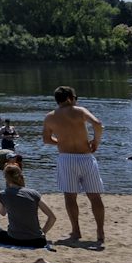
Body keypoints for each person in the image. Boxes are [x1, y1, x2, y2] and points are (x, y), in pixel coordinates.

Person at [41, 86, 106, 247]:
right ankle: (100, 231)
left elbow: (46, 139)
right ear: (70, 98)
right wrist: (95, 141)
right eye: (75, 97)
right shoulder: (80, 111)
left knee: (70, 197)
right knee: (94, 196)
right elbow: (98, 124)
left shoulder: (50, 117)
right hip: (86, 157)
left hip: (66, 158)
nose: (76, 100)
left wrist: (61, 141)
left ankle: (76, 230)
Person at [0, 162, 57, 246]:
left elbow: (2, 213)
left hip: (14, 239)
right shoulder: (34, 193)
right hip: (37, 241)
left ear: (6, 178)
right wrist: (43, 233)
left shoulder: (1, 194)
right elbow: (52, 217)